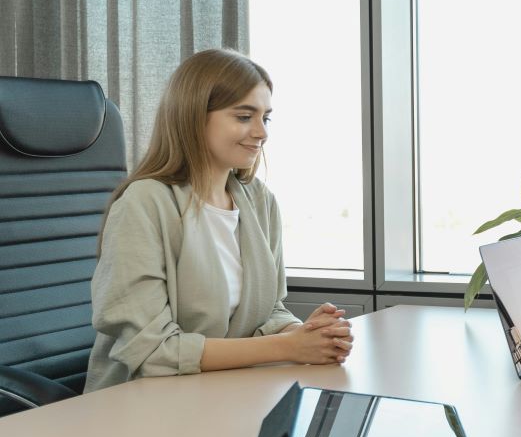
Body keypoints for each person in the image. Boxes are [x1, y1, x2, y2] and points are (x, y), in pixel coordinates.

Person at [86, 49, 353, 392]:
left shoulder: (259, 201)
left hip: (222, 394)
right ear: (194, 117)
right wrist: (288, 347)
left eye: (265, 118)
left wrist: (307, 335)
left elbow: (269, 312)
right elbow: (152, 352)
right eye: (244, 117)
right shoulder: (144, 203)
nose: (261, 132)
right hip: (142, 405)